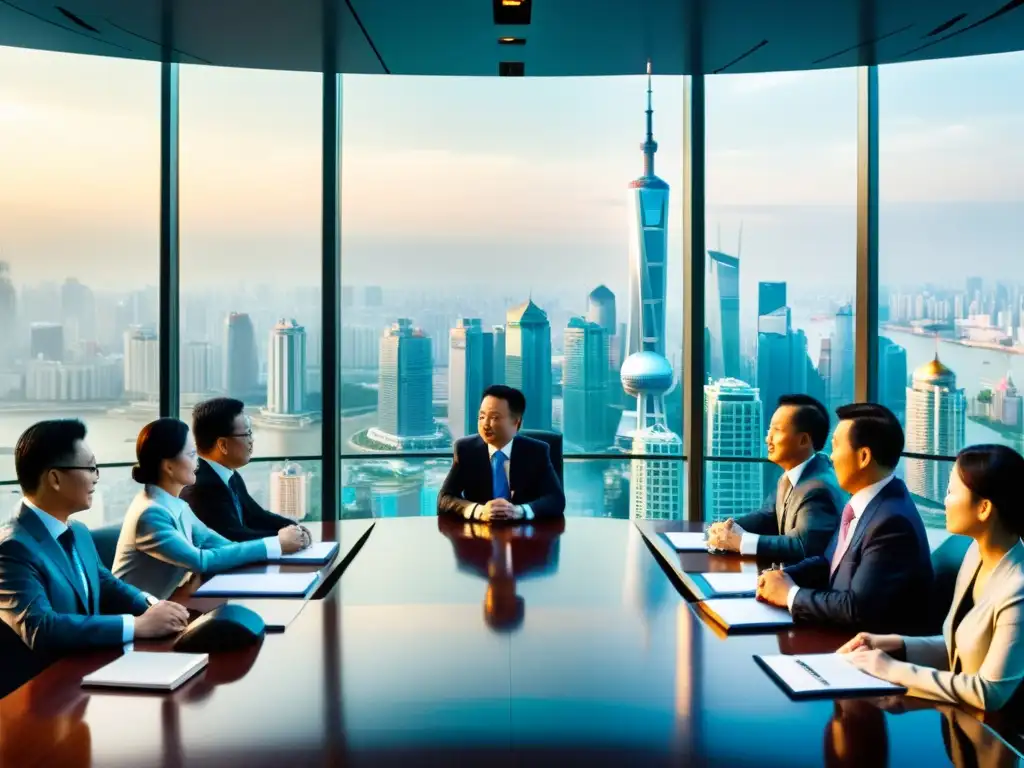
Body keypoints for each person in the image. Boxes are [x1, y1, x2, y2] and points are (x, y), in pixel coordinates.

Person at [0, 420, 188, 696]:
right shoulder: (13, 548)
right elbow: (40, 628)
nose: (97, 477)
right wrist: (137, 626)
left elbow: (105, 582)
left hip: (87, 674)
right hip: (41, 698)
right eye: (90, 467)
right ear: (54, 478)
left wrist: (153, 605)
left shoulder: (77, 530)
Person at [838, 444, 1024, 712]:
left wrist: (891, 668)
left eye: (951, 492)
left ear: (984, 508)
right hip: (959, 718)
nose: (945, 500)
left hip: (996, 738)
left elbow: (990, 692)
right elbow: (961, 647)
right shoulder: (974, 553)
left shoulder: (1018, 588)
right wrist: (896, 644)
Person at [756, 403, 933, 633]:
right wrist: (782, 577)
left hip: (868, 654)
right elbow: (829, 563)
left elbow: (857, 609)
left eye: (836, 446)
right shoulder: (864, 503)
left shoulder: (892, 523)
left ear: (863, 457)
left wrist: (790, 594)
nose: (831, 457)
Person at [112, 418, 306, 599]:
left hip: (162, 609)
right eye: (191, 454)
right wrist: (276, 544)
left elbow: (217, 543)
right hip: (133, 620)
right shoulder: (151, 514)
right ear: (168, 467)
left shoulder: (175, 503)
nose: (198, 461)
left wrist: (276, 546)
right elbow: (201, 561)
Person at [707, 394, 843, 562]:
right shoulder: (791, 476)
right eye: (769, 430)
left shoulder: (818, 489)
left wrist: (741, 541)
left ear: (803, 440)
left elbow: (802, 546)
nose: (767, 439)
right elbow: (768, 516)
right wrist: (728, 528)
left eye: (776, 431)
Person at [180, 397, 310, 545]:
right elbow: (234, 539)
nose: (251, 440)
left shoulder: (228, 475)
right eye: (247, 434)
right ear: (223, 445)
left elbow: (256, 516)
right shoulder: (201, 487)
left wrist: (293, 528)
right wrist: (282, 540)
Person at [437, 385, 565, 522]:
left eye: (495, 418)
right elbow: (444, 498)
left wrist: (520, 511)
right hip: (477, 535)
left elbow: (556, 499)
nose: (485, 424)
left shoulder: (536, 451)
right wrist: (479, 510)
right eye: (481, 416)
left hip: (525, 536)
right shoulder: (466, 450)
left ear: (516, 422)